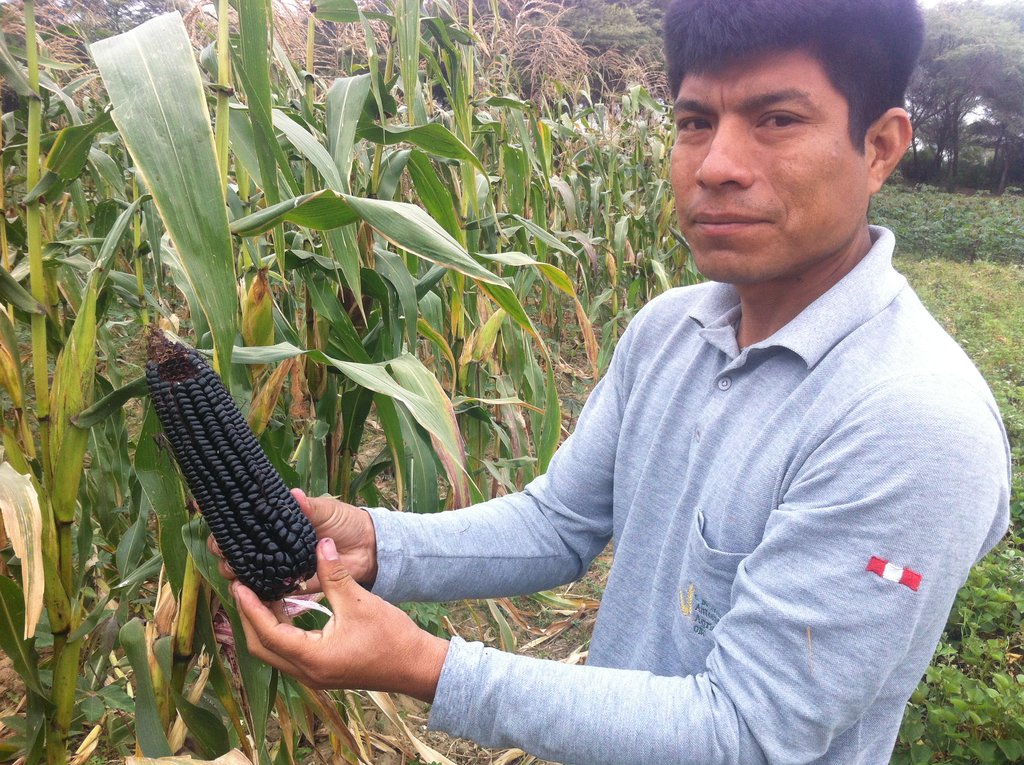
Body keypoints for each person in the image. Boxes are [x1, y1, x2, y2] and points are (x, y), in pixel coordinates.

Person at [218, 0, 1012, 762]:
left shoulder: (911, 418)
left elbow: (748, 731)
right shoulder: (671, 330)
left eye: (777, 120)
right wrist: (375, 542)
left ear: (880, 145)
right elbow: (559, 524)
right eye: (695, 122)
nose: (718, 166)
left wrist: (429, 666)